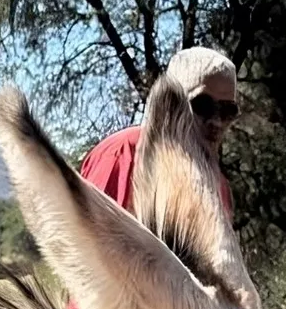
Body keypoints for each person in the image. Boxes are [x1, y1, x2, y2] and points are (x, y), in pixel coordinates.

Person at [79, 45, 239, 217]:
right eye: (202, 105)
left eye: (227, 110)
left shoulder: (218, 188)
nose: (216, 121)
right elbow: (86, 238)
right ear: (171, 103)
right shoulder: (124, 154)